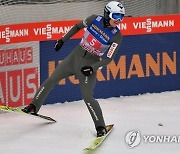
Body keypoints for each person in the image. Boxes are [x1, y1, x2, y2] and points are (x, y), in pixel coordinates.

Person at [22, 1, 125, 137]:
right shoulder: (94, 19)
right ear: (107, 13)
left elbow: (109, 59)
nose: (119, 20)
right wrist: (62, 40)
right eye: (116, 16)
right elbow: (77, 27)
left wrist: (92, 68)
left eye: (121, 17)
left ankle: (100, 126)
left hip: (90, 64)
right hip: (74, 57)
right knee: (52, 79)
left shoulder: (117, 35)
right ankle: (34, 106)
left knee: (87, 97)